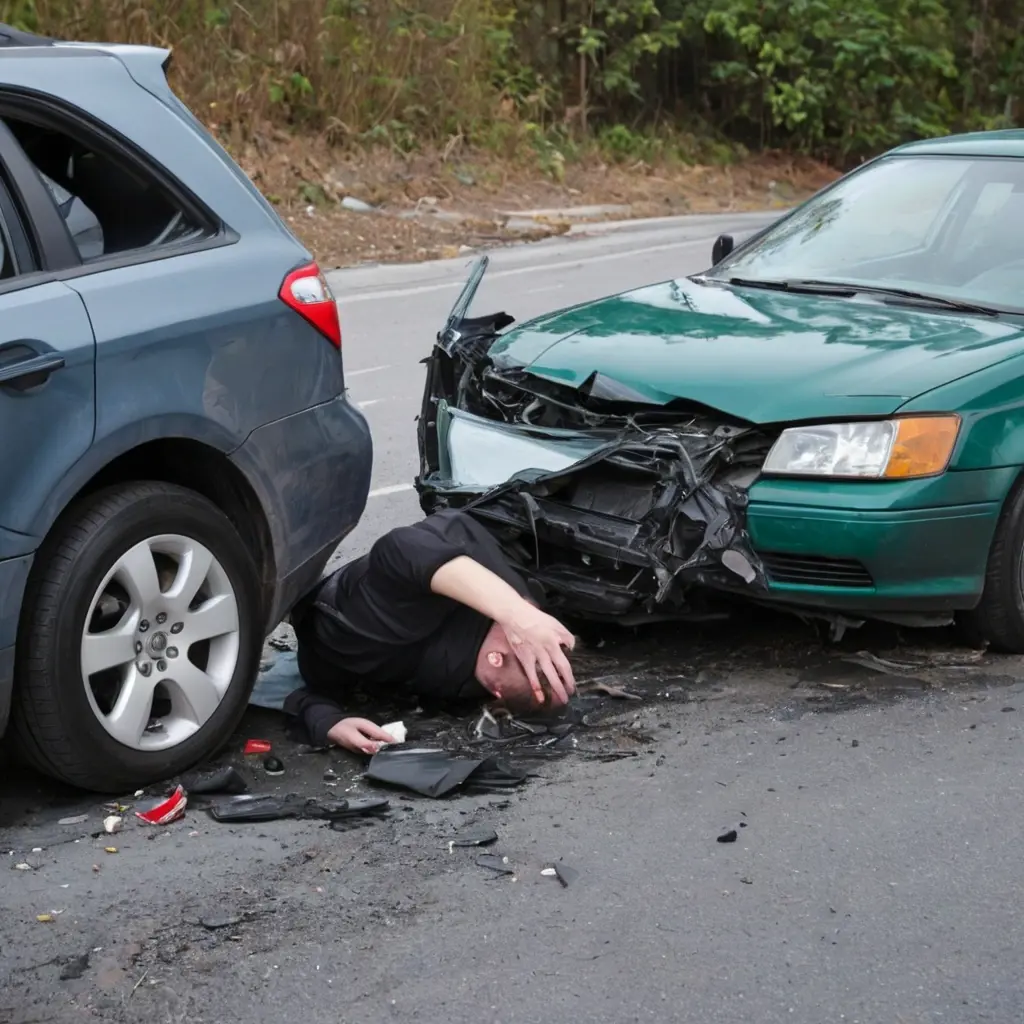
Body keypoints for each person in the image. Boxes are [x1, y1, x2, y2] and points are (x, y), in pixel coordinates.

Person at [286, 509, 577, 755]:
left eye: (522, 641)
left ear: (495, 660)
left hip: (335, 616)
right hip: (448, 544)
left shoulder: (390, 628)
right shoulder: (514, 613)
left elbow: (399, 548)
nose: (528, 627)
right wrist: (523, 612)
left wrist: (330, 723)